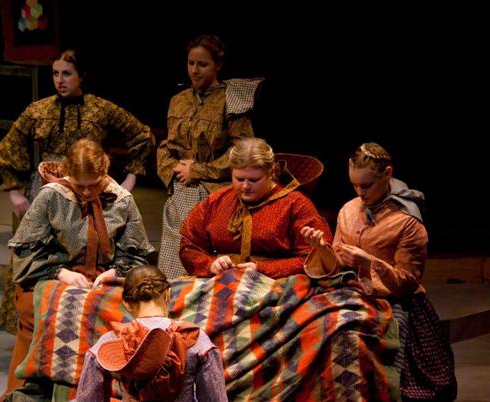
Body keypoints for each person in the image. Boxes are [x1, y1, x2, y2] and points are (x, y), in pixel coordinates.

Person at [0, 48, 154, 334]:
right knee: (33, 253)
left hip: (91, 187)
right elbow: (9, 145)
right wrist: (13, 190)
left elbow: (143, 135)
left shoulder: (101, 109)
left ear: (81, 76)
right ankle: (33, 330)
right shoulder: (39, 109)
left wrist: (132, 177)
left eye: (66, 73)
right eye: (55, 74)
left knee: (90, 247)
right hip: (45, 190)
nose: (59, 80)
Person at [0, 139, 154, 402]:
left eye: (92, 185)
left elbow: (135, 252)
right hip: (53, 274)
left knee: (121, 313)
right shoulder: (51, 196)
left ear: (104, 173)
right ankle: (34, 392)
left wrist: (115, 272)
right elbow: (26, 251)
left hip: (103, 278)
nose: (85, 191)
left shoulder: (121, 200)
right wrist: (60, 272)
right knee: (40, 307)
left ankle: (97, 393)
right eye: (79, 184)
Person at [302, 142, 457, 401]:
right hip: (353, 292)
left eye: (366, 185)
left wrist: (369, 262)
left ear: (387, 174)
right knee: (314, 325)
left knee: (361, 338)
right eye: (354, 185)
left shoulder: (407, 221)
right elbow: (338, 264)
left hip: (396, 299)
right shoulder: (348, 210)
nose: (359, 193)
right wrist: (320, 249)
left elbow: (408, 282)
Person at [156, 34, 263, 279]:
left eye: (202, 64)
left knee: (199, 243)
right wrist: (174, 174)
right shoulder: (178, 101)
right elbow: (166, 146)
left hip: (217, 188)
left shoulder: (230, 100)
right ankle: (170, 290)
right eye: (190, 63)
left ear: (218, 65)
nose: (194, 70)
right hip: (181, 186)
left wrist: (200, 171)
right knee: (175, 241)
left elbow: (242, 148)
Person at [179, 137, 333, 279]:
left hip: (277, 283)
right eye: (239, 179)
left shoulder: (295, 203)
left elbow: (313, 259)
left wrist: (263, 268)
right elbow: (189, 247)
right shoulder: (217, 201)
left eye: (254, 180)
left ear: (271, 173)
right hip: (220, 280)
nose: (245, 186)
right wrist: (210, 264)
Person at [75, 265, 228, 401]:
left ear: (126, 304)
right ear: (168, 294)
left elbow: (88, 398)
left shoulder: (109, 343)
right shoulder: (196, 338)